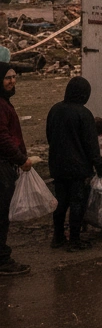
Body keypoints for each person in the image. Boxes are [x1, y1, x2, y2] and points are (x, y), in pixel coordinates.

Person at [46, 76, 102, 252]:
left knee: (61, 202)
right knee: (77, 203)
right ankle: (74, 239)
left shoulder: (55, 110)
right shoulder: (84, 114)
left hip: (57, 165)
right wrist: (99, 167)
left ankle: (57, 237)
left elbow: (50, 135)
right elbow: (91, 144)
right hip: (78, 168)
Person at [0, 63, 31, 276]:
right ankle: (2, 260)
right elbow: (2, 137)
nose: (12, 81)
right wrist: (20, 159)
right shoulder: (0, 106)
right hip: (2, 167)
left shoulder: (4, 103)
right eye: (7, 78)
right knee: (1, 214)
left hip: (5, 165)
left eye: (14, 77)